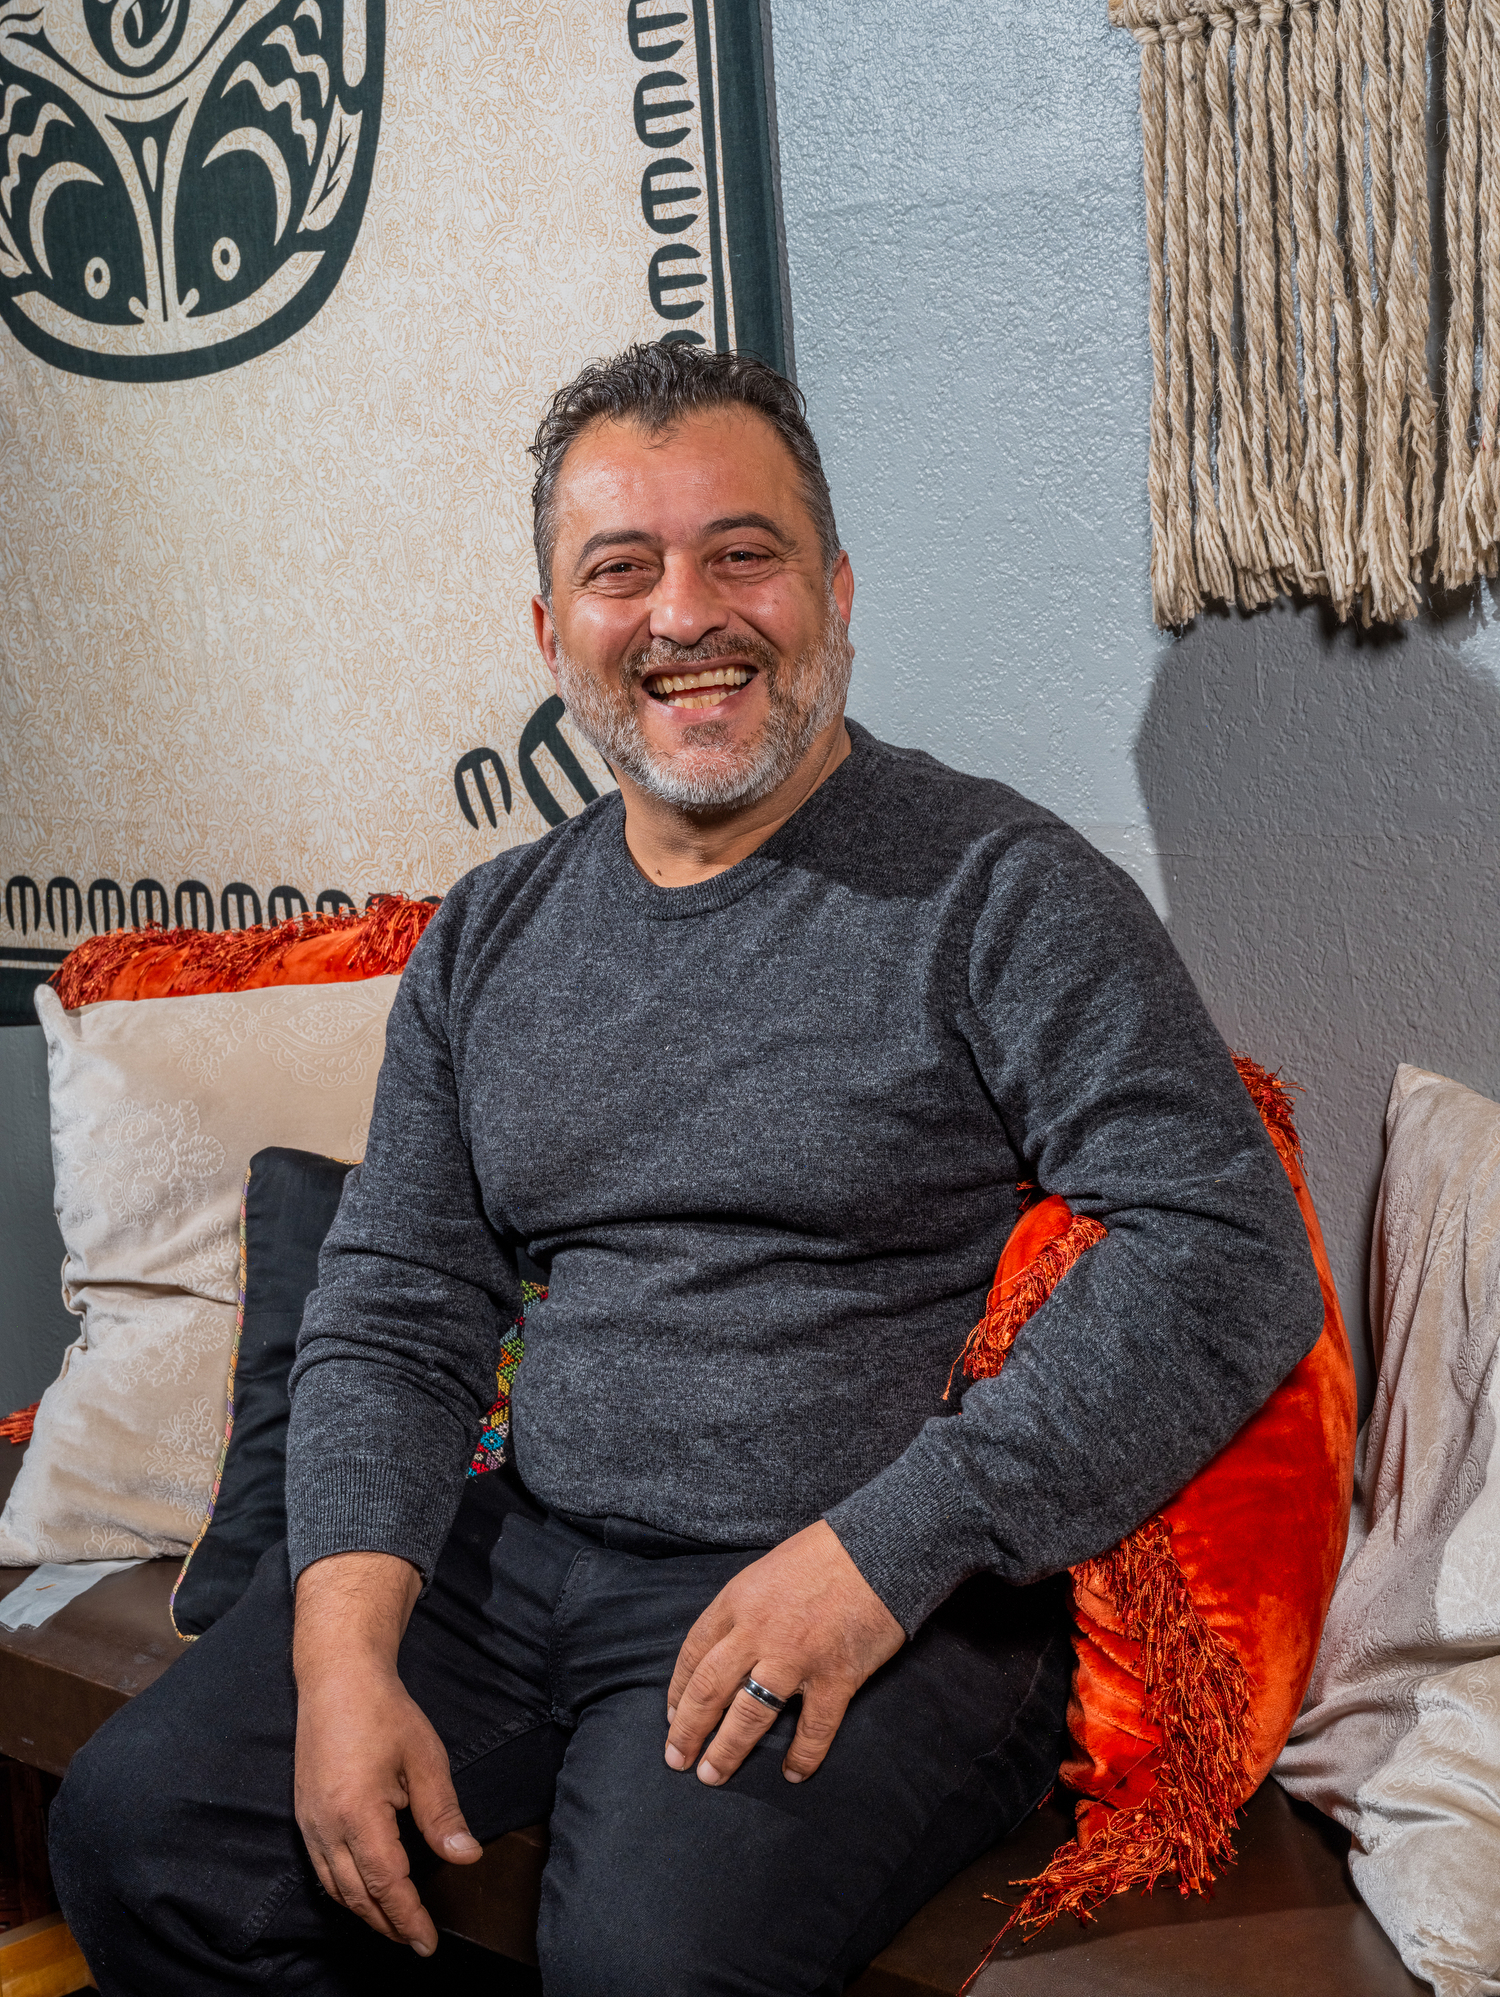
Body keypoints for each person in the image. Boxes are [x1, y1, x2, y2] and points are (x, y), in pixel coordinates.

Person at [50, 342, 1323, 1995]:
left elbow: (1224, 1247)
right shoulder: (494, 934)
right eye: (619, 570)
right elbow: (395, 1307)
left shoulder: (1001, 890)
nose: (683, 615)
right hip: (522, 1557)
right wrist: (341, 1645)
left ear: (834, 590)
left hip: (875, 1585)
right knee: (140, 1831)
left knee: (650, 1962)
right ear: (550, 632)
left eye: (743, 554)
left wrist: (889, 1551)